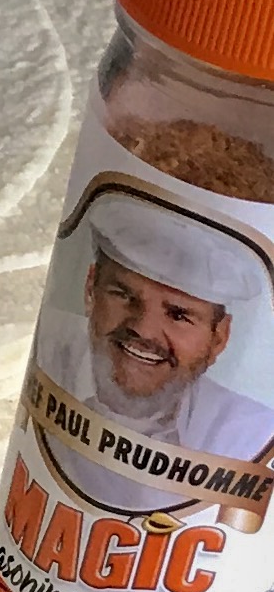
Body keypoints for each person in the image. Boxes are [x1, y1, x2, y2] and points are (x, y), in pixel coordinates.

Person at [32, 190, 274, 512]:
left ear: (219, 337)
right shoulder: (47, 350)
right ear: (91, 289)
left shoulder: (246, 431)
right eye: (123, 295)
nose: (143, 330)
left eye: (178, 315)